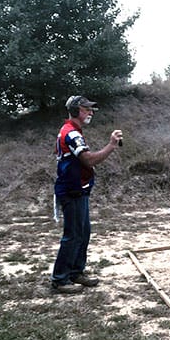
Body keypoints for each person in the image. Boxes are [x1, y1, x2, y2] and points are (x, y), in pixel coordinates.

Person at [51, 95, 123, 294]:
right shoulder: (71, 133)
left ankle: (75, 272)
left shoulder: (73, 131)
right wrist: (111, 145)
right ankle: (60, 279)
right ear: (75, 111)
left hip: (78, 189)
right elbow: (89, 160)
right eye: (86, 109)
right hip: (72, 190)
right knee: (73, 235)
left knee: (82, 233)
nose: (91, 112)